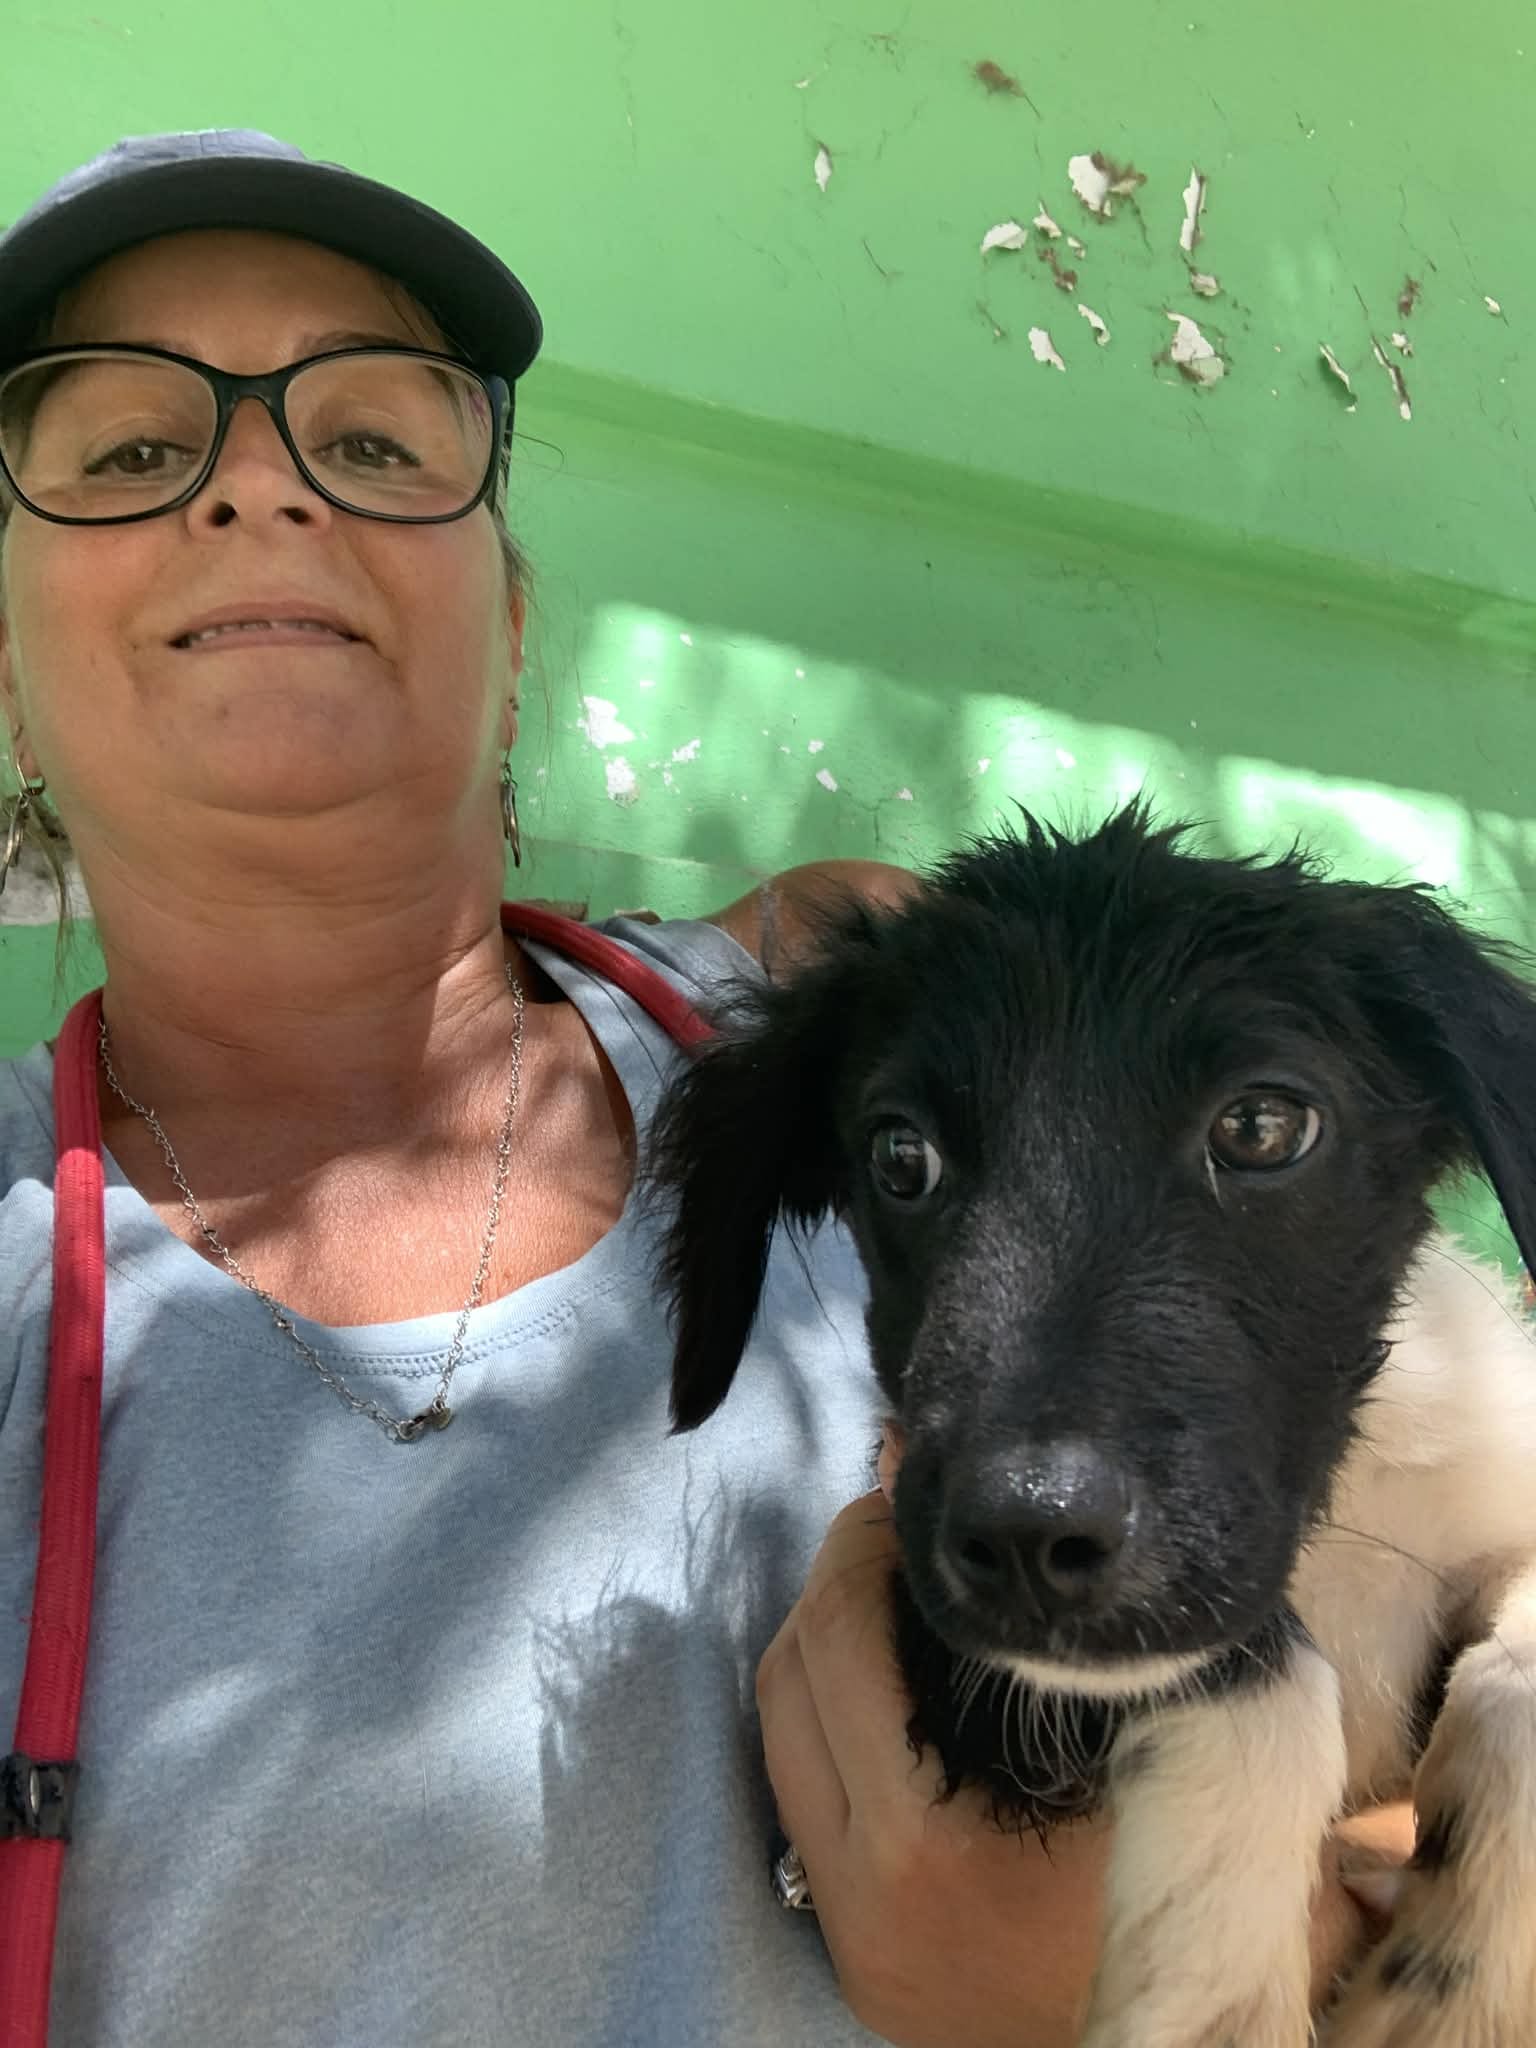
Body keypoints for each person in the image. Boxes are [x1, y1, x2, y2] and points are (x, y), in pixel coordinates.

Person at [0, 131, 1411, 2048]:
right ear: (7, 675)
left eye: (375, 440)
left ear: (515, 634)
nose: (258, 483)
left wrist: (1133, 1969)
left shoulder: (912, 1041)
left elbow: (1420, 1730)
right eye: (130, 453)